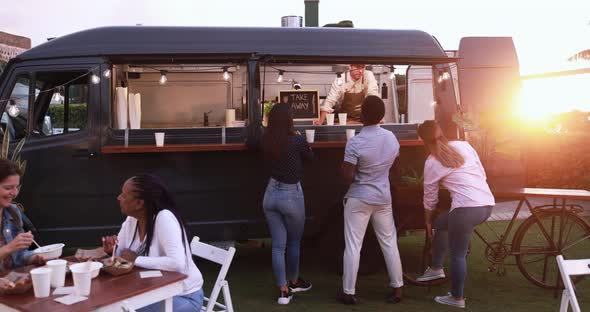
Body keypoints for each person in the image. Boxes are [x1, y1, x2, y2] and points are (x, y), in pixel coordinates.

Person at [415, 120, 495, 309]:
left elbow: (430, 197)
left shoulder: (431, 162)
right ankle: (436, 268)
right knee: (442, 223)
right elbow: (481, 173)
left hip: (466, 210)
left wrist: (427, 221)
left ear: (423, 140)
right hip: (486, 204)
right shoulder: (464, 145)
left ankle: (457, 298)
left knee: (458, 255)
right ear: (440, 131)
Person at [102, 174, 204, 312]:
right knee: (114, 302)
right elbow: (122, 255)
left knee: (121, 308)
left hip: (183, 296)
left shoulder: (164, 218)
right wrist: (112, 250)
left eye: (124, 195)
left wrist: (136, 259)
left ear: (139, 203)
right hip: (154, 292)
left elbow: (177, 263)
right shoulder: (132, 220)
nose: (119, 198)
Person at [339, 95, 403, 305]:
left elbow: (347, 175)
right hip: (383, 197)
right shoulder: (391, 138)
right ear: (382, 115)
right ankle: (398, 289)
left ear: (362, 115)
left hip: (359, 197)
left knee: (353, 245)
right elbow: (394, 165)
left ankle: (348, 291)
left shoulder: (355, 142)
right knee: (389, 242)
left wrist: (356, 175)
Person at [259, 103, 313, 304]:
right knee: (294, 242)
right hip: (291, 195)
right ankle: (294, 281)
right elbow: (310, 158)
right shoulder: (297, 140)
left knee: (277, 246)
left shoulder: (265, 139)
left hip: (271, 193)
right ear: (290, 120)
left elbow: (251, 142)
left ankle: (283, 291)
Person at [0, 159, 45, 271]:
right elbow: (10, 249)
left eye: (17, 187)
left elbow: (19, 257)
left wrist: (35, 258)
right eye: (8, 188)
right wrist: (9, 248)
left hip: (14, 282)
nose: (14, 193)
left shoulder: (13, 212)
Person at [315, 64, 379, 125]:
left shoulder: (368, 75)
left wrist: (377, 116)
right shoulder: (340, 79)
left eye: (363, 67)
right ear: (350, 66)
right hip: (345, 120)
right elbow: (330, 100)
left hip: (364, 120)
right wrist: (320, 121)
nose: (360, 71)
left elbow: (373, 95)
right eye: (357, 67)